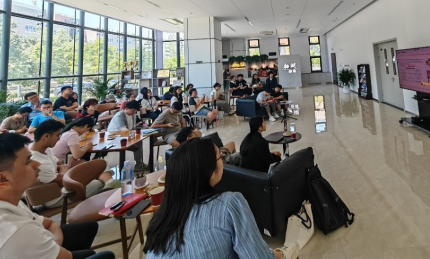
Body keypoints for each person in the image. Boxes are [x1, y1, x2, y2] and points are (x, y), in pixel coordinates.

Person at [143, 137, 293, 259]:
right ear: (209, 171)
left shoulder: (160, 221)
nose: (222, 160)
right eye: (220, 157)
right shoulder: (229, 204)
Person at [0, 133, 115, 259]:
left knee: (89, 228)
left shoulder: (5, 199)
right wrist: (55, 247)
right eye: (28, 161)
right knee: (105, 256)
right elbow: (66, 256)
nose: (37, 164)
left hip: (41, 239)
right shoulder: (16, 230)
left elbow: (49, 223)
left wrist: (54, 244)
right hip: (35, 242)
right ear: (2, 179)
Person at [30, 120, 116, 209]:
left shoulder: (44, 150)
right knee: (98, 183)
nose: (59, 139)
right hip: (58, 196)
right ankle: (108, 193)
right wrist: (64, 172)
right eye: (57, 135)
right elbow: (63, 183)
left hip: (63, 183)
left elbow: (59, 164)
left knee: (98, 165)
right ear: (46, 136)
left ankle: (109, 183)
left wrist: (62, 171)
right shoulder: (39, 163)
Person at [107, 100, 147, 171]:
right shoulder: (119, 116)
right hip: (115, 138)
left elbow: (134, 127)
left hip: (126, 136)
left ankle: (139, 164)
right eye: (133, 110)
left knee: (139, 141)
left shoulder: (133, 115)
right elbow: (124, 131)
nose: (134, 112)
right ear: (126, 108)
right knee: (137, 142)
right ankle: (138, 164)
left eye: (135, 110)